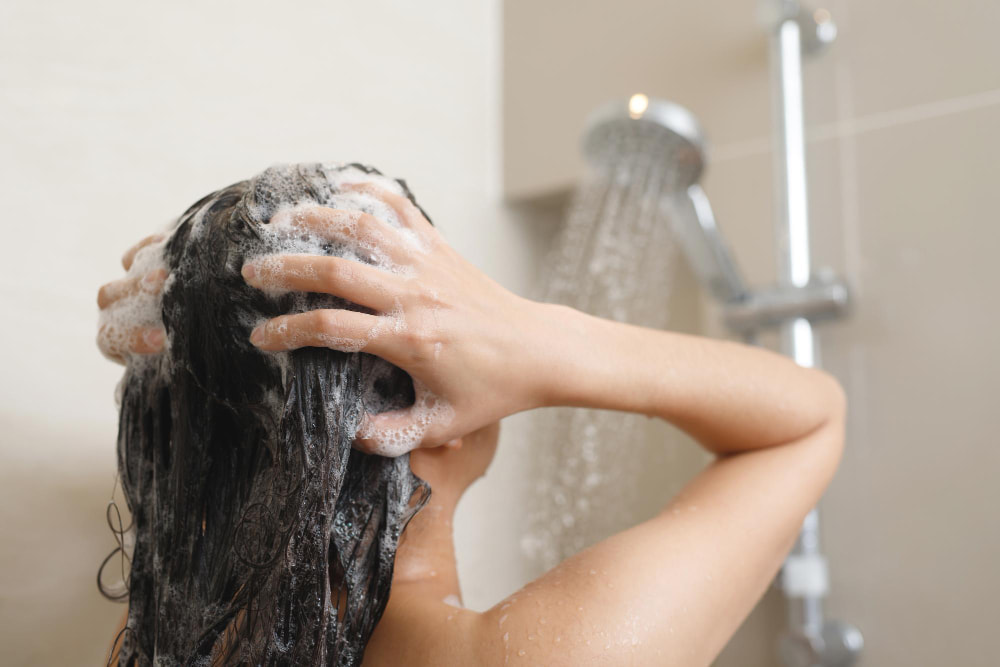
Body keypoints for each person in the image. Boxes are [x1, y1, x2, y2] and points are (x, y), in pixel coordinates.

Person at [98, 164, 845, 666]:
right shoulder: (550, 656)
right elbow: (810, 419)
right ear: (435, 414)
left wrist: (194, 340)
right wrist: (535, 335)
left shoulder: (158, 645)